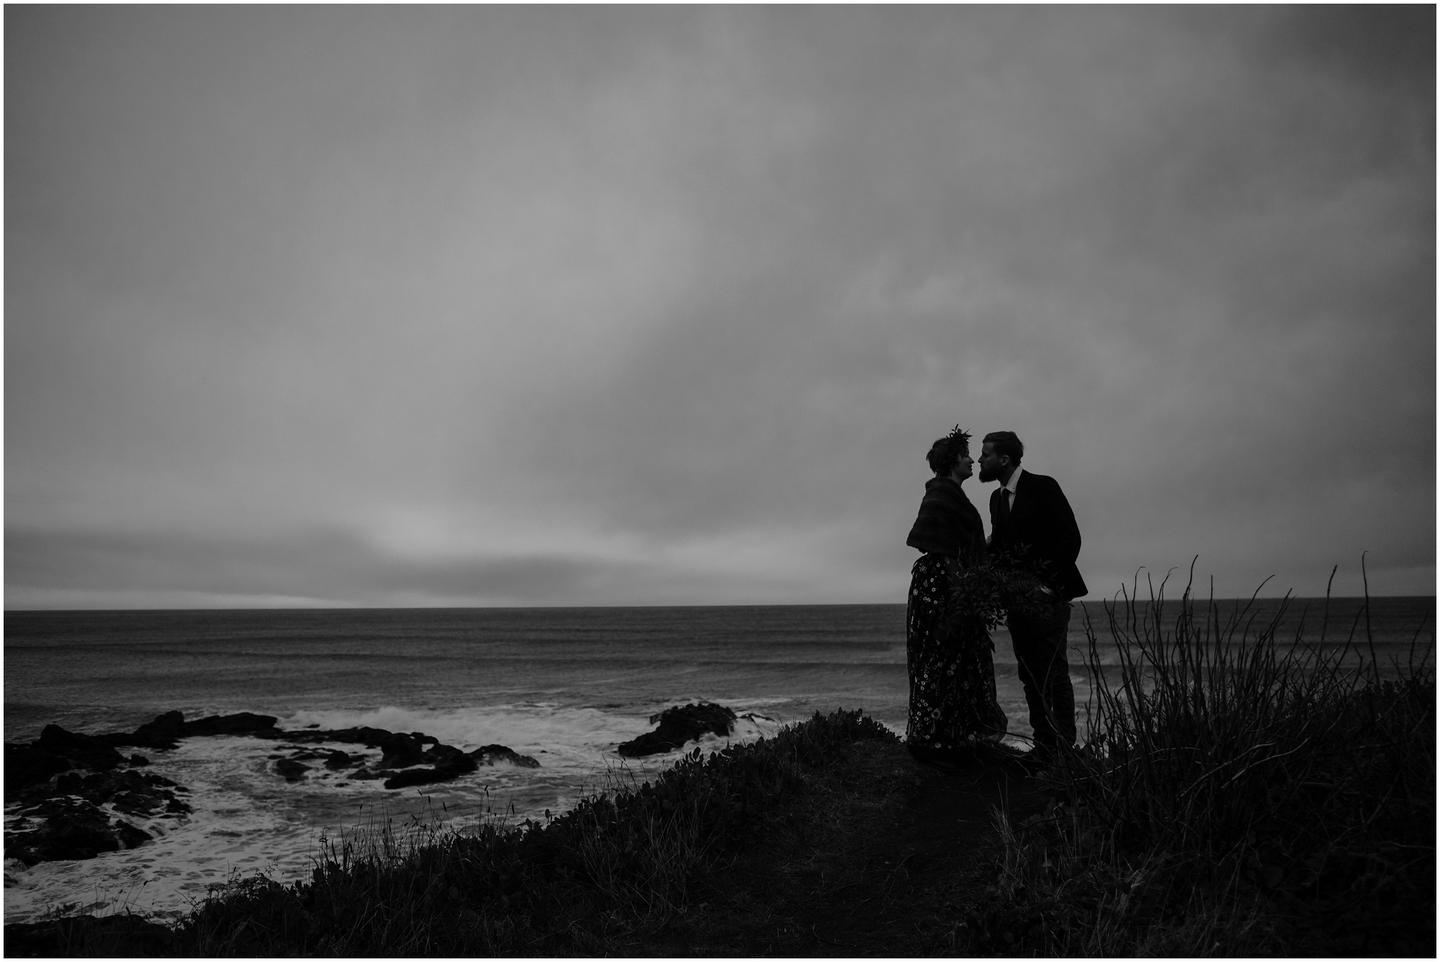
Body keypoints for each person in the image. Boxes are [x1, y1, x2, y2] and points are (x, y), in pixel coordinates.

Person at [978, 430, 1086, 759]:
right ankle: (1044, 746)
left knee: (1054, 673)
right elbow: (999, 548)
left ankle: (1065, 748)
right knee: (1029, 674)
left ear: (1004, 459)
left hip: (1049, 600)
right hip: (1017, 602)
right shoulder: (996, 500)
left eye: (986, 454)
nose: (981, 460)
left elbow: (1070, 538)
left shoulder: (1043, 487)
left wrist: (1048, 586)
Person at [903, 425, 1007, 765]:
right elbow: (936, 543)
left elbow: (961, 544)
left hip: (948, 581)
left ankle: (953, 737)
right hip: (940, 583)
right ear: (952, 462)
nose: (972, 461)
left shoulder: (950, 494)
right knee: (941, 654)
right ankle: (936, 740)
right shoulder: (941, 494)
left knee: (956, 656)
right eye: (965, 456)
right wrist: (962, 578)